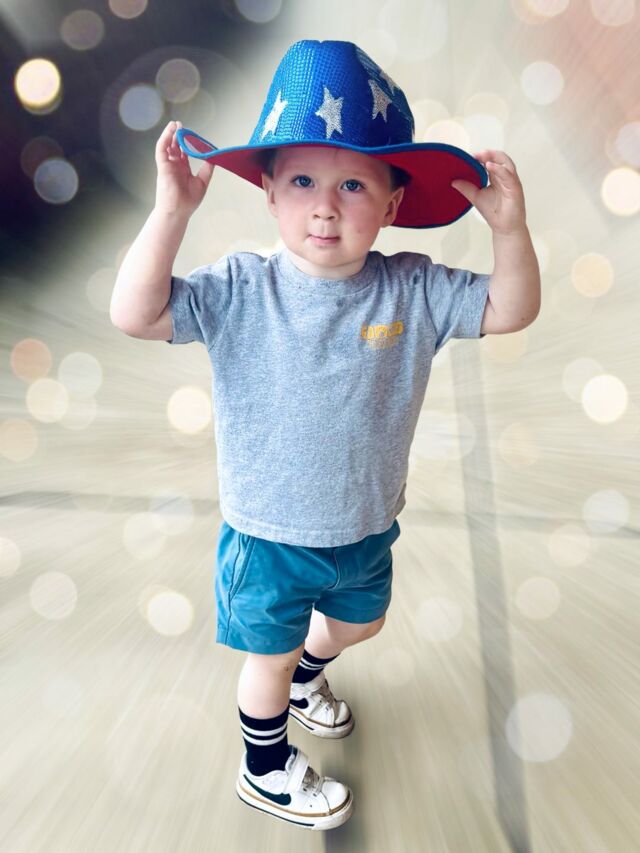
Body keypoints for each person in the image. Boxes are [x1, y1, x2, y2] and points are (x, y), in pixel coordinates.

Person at [110, 39, 540, 832]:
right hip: (269, 534)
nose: (325, 207)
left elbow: (509, 309)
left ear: (393, 205)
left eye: (353, 185)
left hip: (364, 523)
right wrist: (172, 211)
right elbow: (135, 313)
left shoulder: (411, 289)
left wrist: (509, 231)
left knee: (359, 623)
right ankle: (264, 767)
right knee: (266, 660)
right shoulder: (242, 289)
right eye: (303, 181)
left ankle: (311, 674)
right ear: (270, 193)